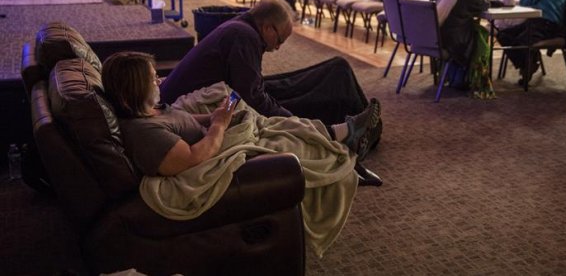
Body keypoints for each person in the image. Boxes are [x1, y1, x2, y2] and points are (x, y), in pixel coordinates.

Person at [101, 52, 382, 257]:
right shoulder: (143, 133)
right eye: (152, 80)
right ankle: (347, 144)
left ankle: (344, 134)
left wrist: (215, 116)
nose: (159, 81)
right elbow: (193, 157)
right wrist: (220, 125)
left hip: (217, 133)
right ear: (132, 93)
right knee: (291, 143)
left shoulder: (151, 110)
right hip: (217, 150)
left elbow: (183, 121)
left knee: (283, 125)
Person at [159, 0, 382, 182]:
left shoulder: (240, 28)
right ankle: (339, 133)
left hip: (219, 97)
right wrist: (293, 120)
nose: (276, 48)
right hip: (203, 108)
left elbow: (248, 87)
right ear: (267, 27)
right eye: (279, 41)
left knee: (335, 69)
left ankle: (352, 131)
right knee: (288, 103)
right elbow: (252, 98)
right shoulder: (244, 37)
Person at [431, 0, 494, 98]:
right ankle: (467, 79)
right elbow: (485, 3)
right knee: (480, 35)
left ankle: (451, 76)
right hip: (452, 43)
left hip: (433, 38)